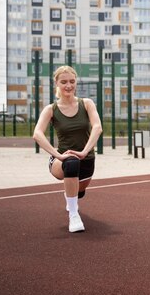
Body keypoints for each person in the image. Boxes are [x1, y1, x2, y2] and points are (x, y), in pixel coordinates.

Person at [33, 65, 102, 233]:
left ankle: (71, 198)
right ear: (56, 83)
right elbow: (37, 134)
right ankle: (73, 215)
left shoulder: (86, 104)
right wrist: (58, 155)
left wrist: (85, 151)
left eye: (72, 81)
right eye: (64, 82)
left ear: (76, 82)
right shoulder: (51, 109)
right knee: (71, 164)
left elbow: (97, 127)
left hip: (86, 158)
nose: (68, 85)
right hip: (61, 160)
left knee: (79, 192)